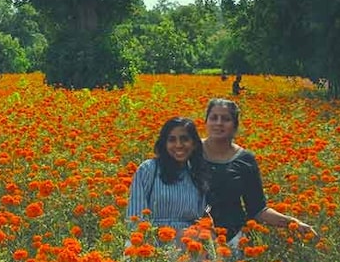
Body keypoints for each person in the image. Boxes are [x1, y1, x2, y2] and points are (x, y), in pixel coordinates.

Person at [202, 98, 317, 253]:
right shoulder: (188, 152)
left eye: (226, 119)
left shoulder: (245, 160)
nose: (219, 123)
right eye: (214, 118)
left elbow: (258, 209)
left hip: (231, 240)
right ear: (206, 122)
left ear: (235, 126)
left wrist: (292, 222)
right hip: (189, 238)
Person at [126, 117, 209, 231]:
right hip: (154, 243)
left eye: (184, 139)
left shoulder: (196, 174)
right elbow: (134, 218)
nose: (179, 145)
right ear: (164, 144)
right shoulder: (148, 169)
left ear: (194, 144)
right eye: (172, 140)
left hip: (189, 244)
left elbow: (200, 219)